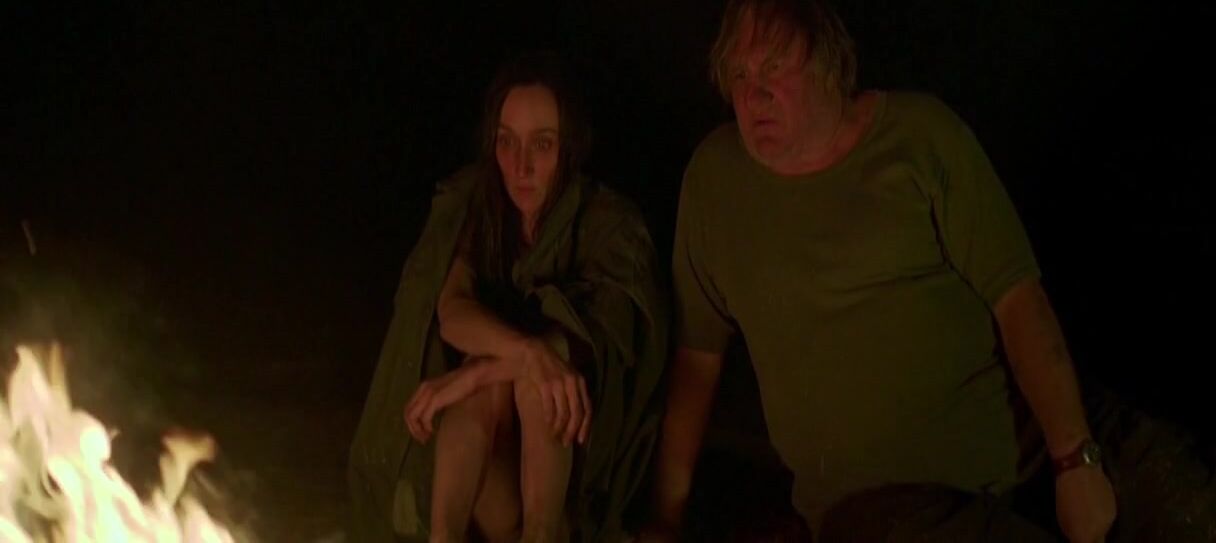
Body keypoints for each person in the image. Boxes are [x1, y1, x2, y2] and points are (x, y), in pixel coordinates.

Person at [642, 0, 1120, 540]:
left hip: (1025, 447)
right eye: (740, 75)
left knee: (1179, 495)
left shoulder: (920, 136)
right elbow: (697, 360)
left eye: (774, 67)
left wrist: (1073, 458)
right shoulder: (715, 183)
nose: (754, 96)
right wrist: (665, 517)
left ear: (828, 64)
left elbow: (1018, 298)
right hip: (881, 507)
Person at [349, 52, 668, 543]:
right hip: (492, 490)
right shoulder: (480, 206)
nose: (521, 166)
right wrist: (519, 356)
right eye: (507, 142)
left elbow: (588, 345)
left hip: (569, 482)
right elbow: (452, 310)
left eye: (542, 144)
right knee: (502, 378)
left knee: (536, 381)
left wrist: (479, 371)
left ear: (568, 149)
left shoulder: (607, 225)